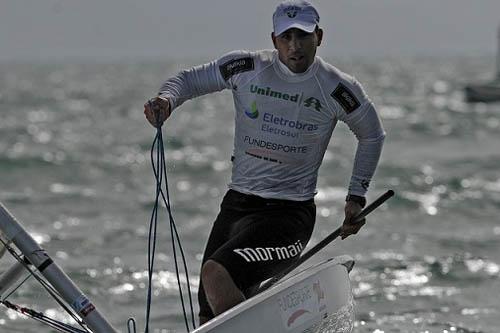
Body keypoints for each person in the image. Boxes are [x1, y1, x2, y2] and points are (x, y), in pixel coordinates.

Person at [144, 0, 385, 325]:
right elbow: (188, 80)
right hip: (237, 207)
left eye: (303, 37)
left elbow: (371, 133)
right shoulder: (247, 69)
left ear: (320, 36)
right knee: (207, 314)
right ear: (274, 40)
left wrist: (356, 198)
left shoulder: (336, 88)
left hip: (289, 217)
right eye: (286, 38)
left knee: (216, 274)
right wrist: (166, 100)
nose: (294, 47)